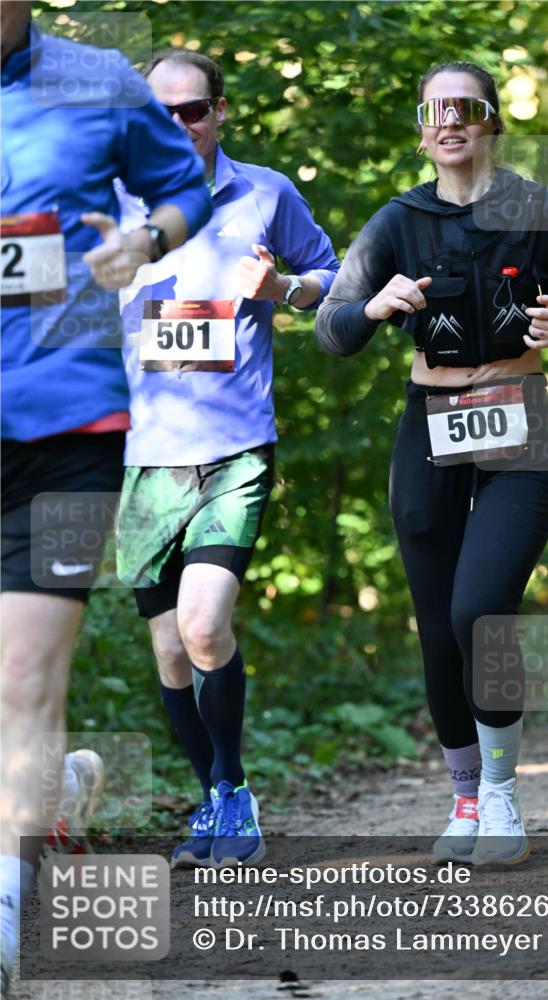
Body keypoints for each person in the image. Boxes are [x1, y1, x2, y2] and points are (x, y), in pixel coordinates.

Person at [316, 61, 548, 866]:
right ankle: (466, 798)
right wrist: (371, 307)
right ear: (420, 128)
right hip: (426, 423)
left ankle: (506, 796)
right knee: (439, 628)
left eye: (465, 109)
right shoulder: (394, 223)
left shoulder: (541, 208)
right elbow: (332, 329)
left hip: (517, 421)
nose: (449, 123)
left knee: (480, 611)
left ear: (490, 122)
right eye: (433, 111)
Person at [0, 5, 211, 993]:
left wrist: (143, 240)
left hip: (72, 434)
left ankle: (2, 908)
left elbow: (179, 189)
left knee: (22, 677)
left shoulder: (99, 79)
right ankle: (65, 785)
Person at [114, 49, 339, 870]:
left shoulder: (265, 193)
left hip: (235, 449)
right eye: (160, 112)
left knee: (206, 628)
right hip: (142, 459)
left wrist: (282, 292)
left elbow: (337, 275)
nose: (180, 125)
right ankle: (213, 796)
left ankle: (235, 793)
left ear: (220, 112)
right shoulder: (106, 201)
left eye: (195, 110)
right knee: (172, 651)